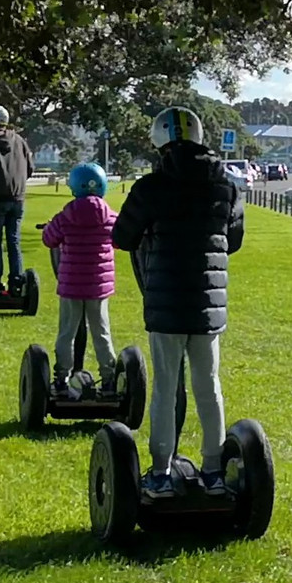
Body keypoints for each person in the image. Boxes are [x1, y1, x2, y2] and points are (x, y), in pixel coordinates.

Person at [112, 106, 244, 499]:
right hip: (209, 305)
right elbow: (232, 241)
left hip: (165, 305)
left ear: (159, 141)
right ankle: (213, 469)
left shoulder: (151, 187)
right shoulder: (225, 185)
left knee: (166, 389)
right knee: (209, 387)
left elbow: (122, 236)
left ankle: (160, 471)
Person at [41, 162, 119, 396]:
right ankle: (108, 380)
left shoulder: (65, 215)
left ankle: (62, 379)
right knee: (102, 333)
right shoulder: (110, 216)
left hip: (71, 286)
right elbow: (120, 239)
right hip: (98, 287)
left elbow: (49, 239)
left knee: (67, 333)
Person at [0, 105, 35, 297]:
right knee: (14, 242)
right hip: (18, 200)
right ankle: (16, 284)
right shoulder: (19, 140)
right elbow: (30, 168)